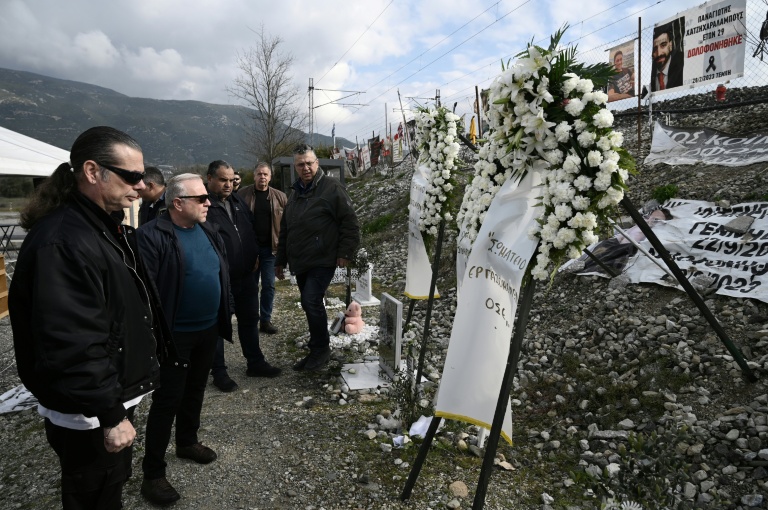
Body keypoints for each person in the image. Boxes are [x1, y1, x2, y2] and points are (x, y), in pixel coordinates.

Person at [9, 126, 172, 510]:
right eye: (132, 176)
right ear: (92, 171)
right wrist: (111, 415)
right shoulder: (65, 241)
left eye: (143, 176)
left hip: (105, 397)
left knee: (109, 485)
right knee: (95, 495)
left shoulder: (100, 224)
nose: (141, 185)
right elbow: (71, 340)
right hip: (90, 411)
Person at [137, 173, 232, 505]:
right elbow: (144, 292)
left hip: (208, 330)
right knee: (167, 401)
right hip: (175, 336)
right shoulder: (150, 236)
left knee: (195, 389)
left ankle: (187, 441)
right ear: (178, 203)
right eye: (201, 198)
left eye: (207, 197)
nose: (209, 202)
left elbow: (219, 269)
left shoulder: (207, 228)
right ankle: (153, 474)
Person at [275, 144, 360, 371]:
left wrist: (345, 252)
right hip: (301, 260)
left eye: (309, 163)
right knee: (310, 302)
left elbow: (350, 222)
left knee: (310, 300)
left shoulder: (332, 188)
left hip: (323, 258)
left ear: (317, 163)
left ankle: (321, 350)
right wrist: (280, 260)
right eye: (300, 164)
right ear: (295, 166)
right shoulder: (295, 193)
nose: (305, 168)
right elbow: (286, 229)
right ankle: (317, 348)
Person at [207, 160, 281, 388]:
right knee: (218, 324)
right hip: (220, 279)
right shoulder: (203, 205)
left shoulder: (237, 201)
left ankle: (255, 362)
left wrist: (257, 254)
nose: (228, 185)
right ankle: (219, 372)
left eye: (231, 180)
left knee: (250, 319)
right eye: (223, 180)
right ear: (210, 179)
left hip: (247, 275)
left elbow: (250, 230)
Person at [238, 162, 288, 335]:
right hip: (250, 249)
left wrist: (284, 252)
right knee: (250, 286)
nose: (262, 177)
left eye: (265, 174)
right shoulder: (242, 194)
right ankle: (250, 318)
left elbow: (287, 226)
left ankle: (265, 320)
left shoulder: (280, 197)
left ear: (270, 177)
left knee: (269, 286)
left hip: (270, 250)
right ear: (254, 176)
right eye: (259, 174)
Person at [651, 23, 684, 92]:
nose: (659, 53)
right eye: (655, 49)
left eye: (663, 45)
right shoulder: (653, 74)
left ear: (670, 45)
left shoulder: (682, 65)